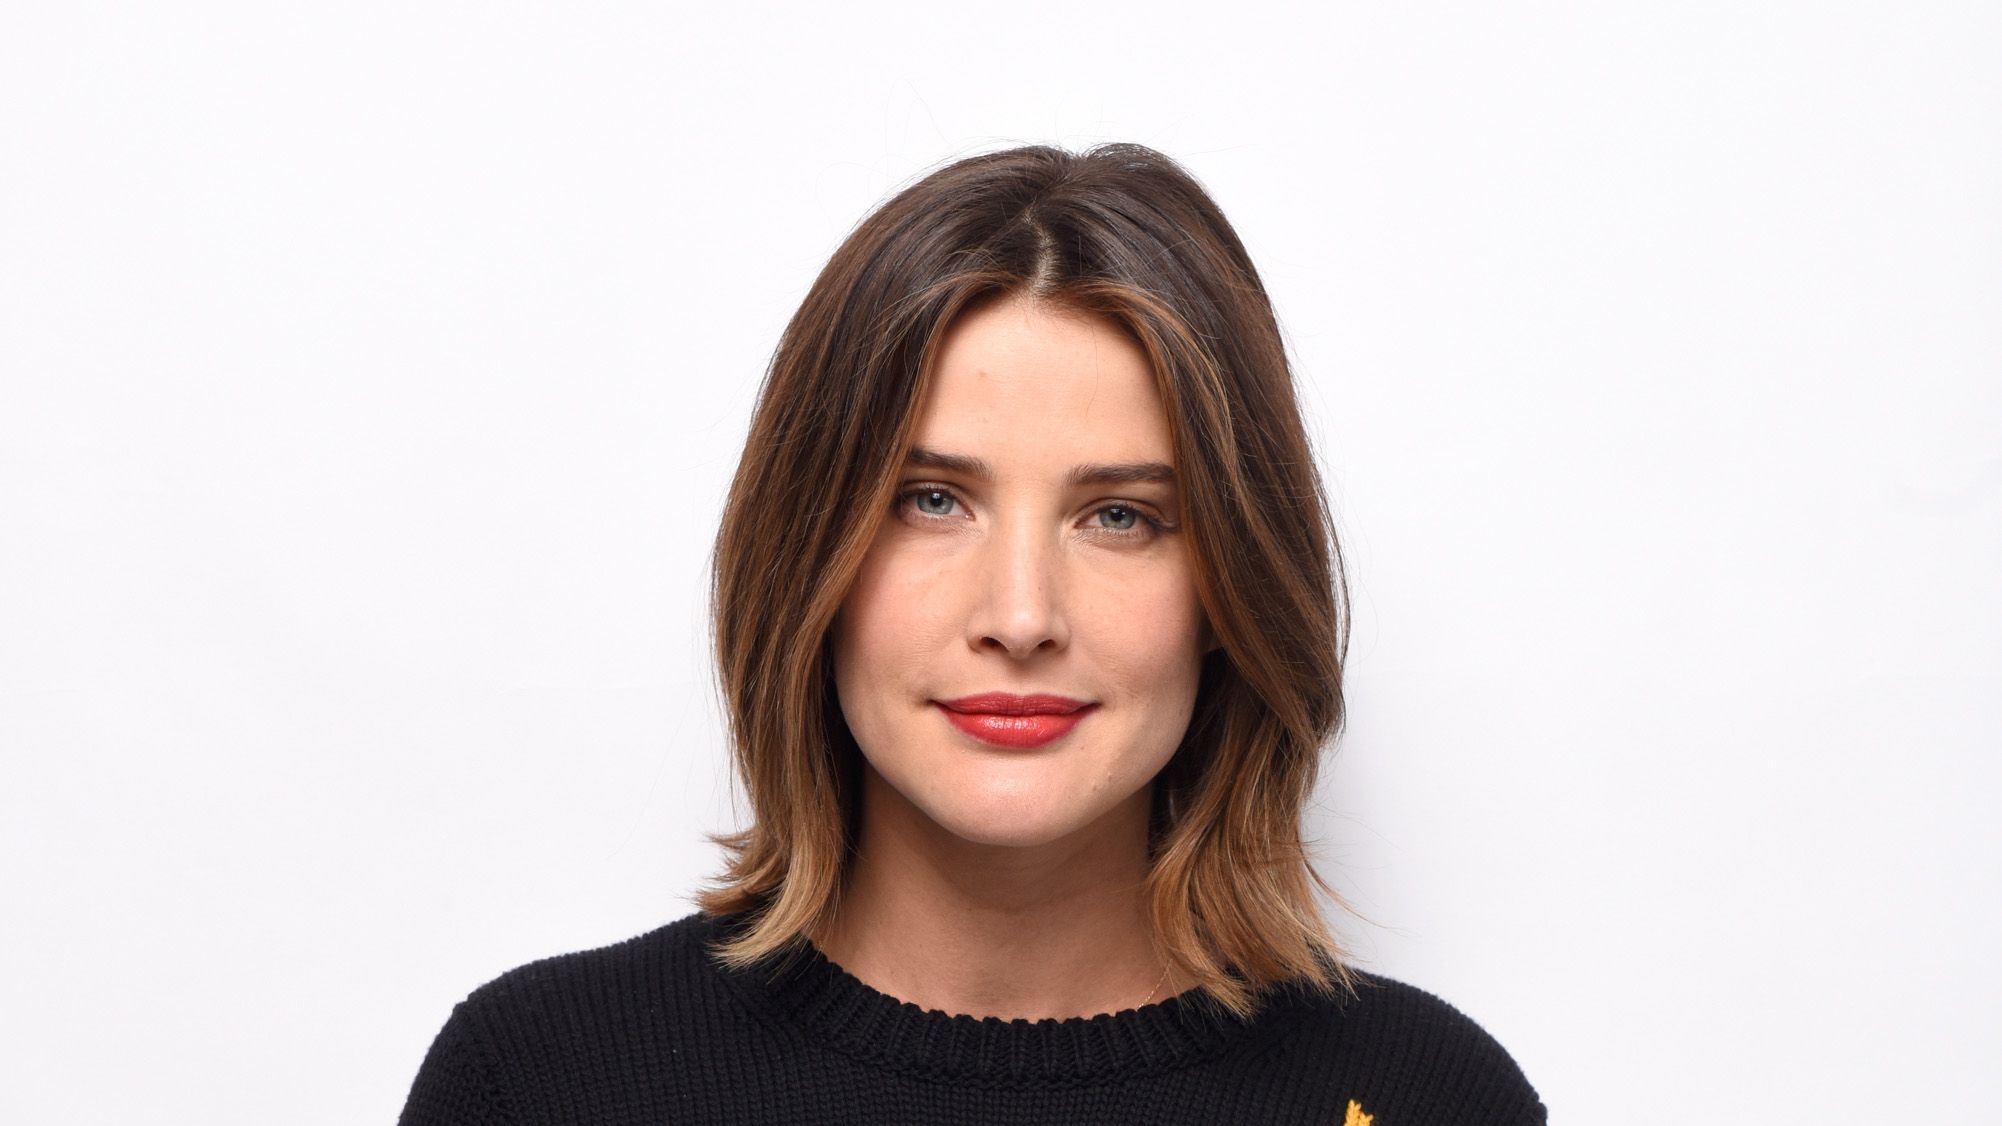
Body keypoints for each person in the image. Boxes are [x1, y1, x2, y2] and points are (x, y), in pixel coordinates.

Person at [398, 143, 1546, 1125]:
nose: (1019, 617)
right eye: (930, 499)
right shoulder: (544, 1086)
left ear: (1230, 589)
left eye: (1121, 517)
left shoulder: (1421, 1101)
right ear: (808, 553)